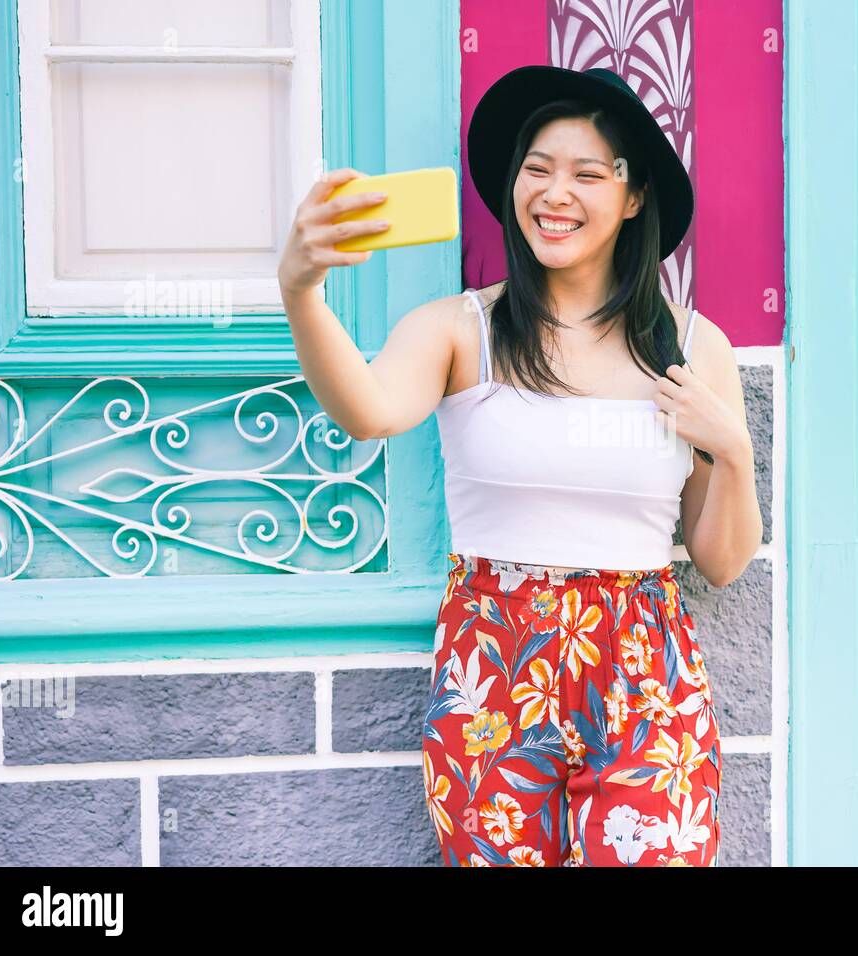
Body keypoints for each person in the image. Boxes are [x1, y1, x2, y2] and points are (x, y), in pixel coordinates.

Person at [278, 65, 761, 866]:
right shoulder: (459, 329)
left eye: (585, 173)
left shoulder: (690, 345)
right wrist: (301, 290)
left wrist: (735, 453)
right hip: (493, 661)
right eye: (536, 168)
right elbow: (366, 409)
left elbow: (721, 559)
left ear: (633, 195)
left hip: (645, 671)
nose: (554, 192)